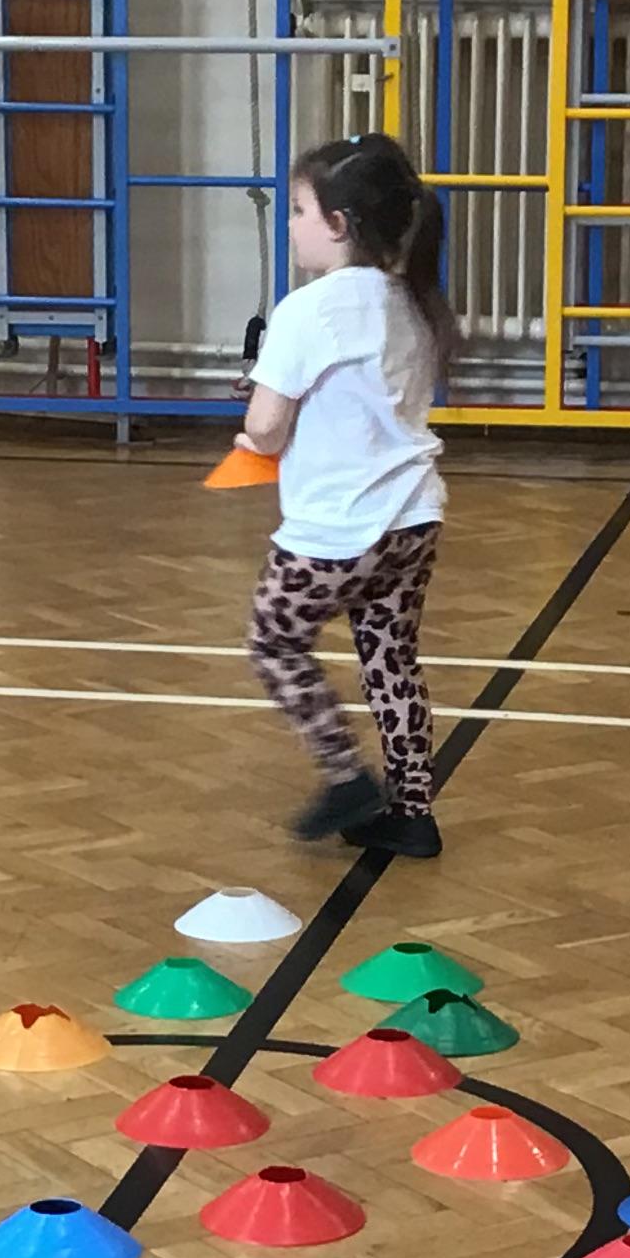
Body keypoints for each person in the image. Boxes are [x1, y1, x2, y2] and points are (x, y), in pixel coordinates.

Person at [235, 134, 455, 861]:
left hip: (336, 529)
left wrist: (256, 433)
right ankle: (412, 812)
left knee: (274, 641)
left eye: (300, 210)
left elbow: (265, 428)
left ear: (339, 224)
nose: (292, 224)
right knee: (391, 661)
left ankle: (346, 776)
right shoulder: (412, 302)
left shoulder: (308, 310)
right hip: (412, 519)